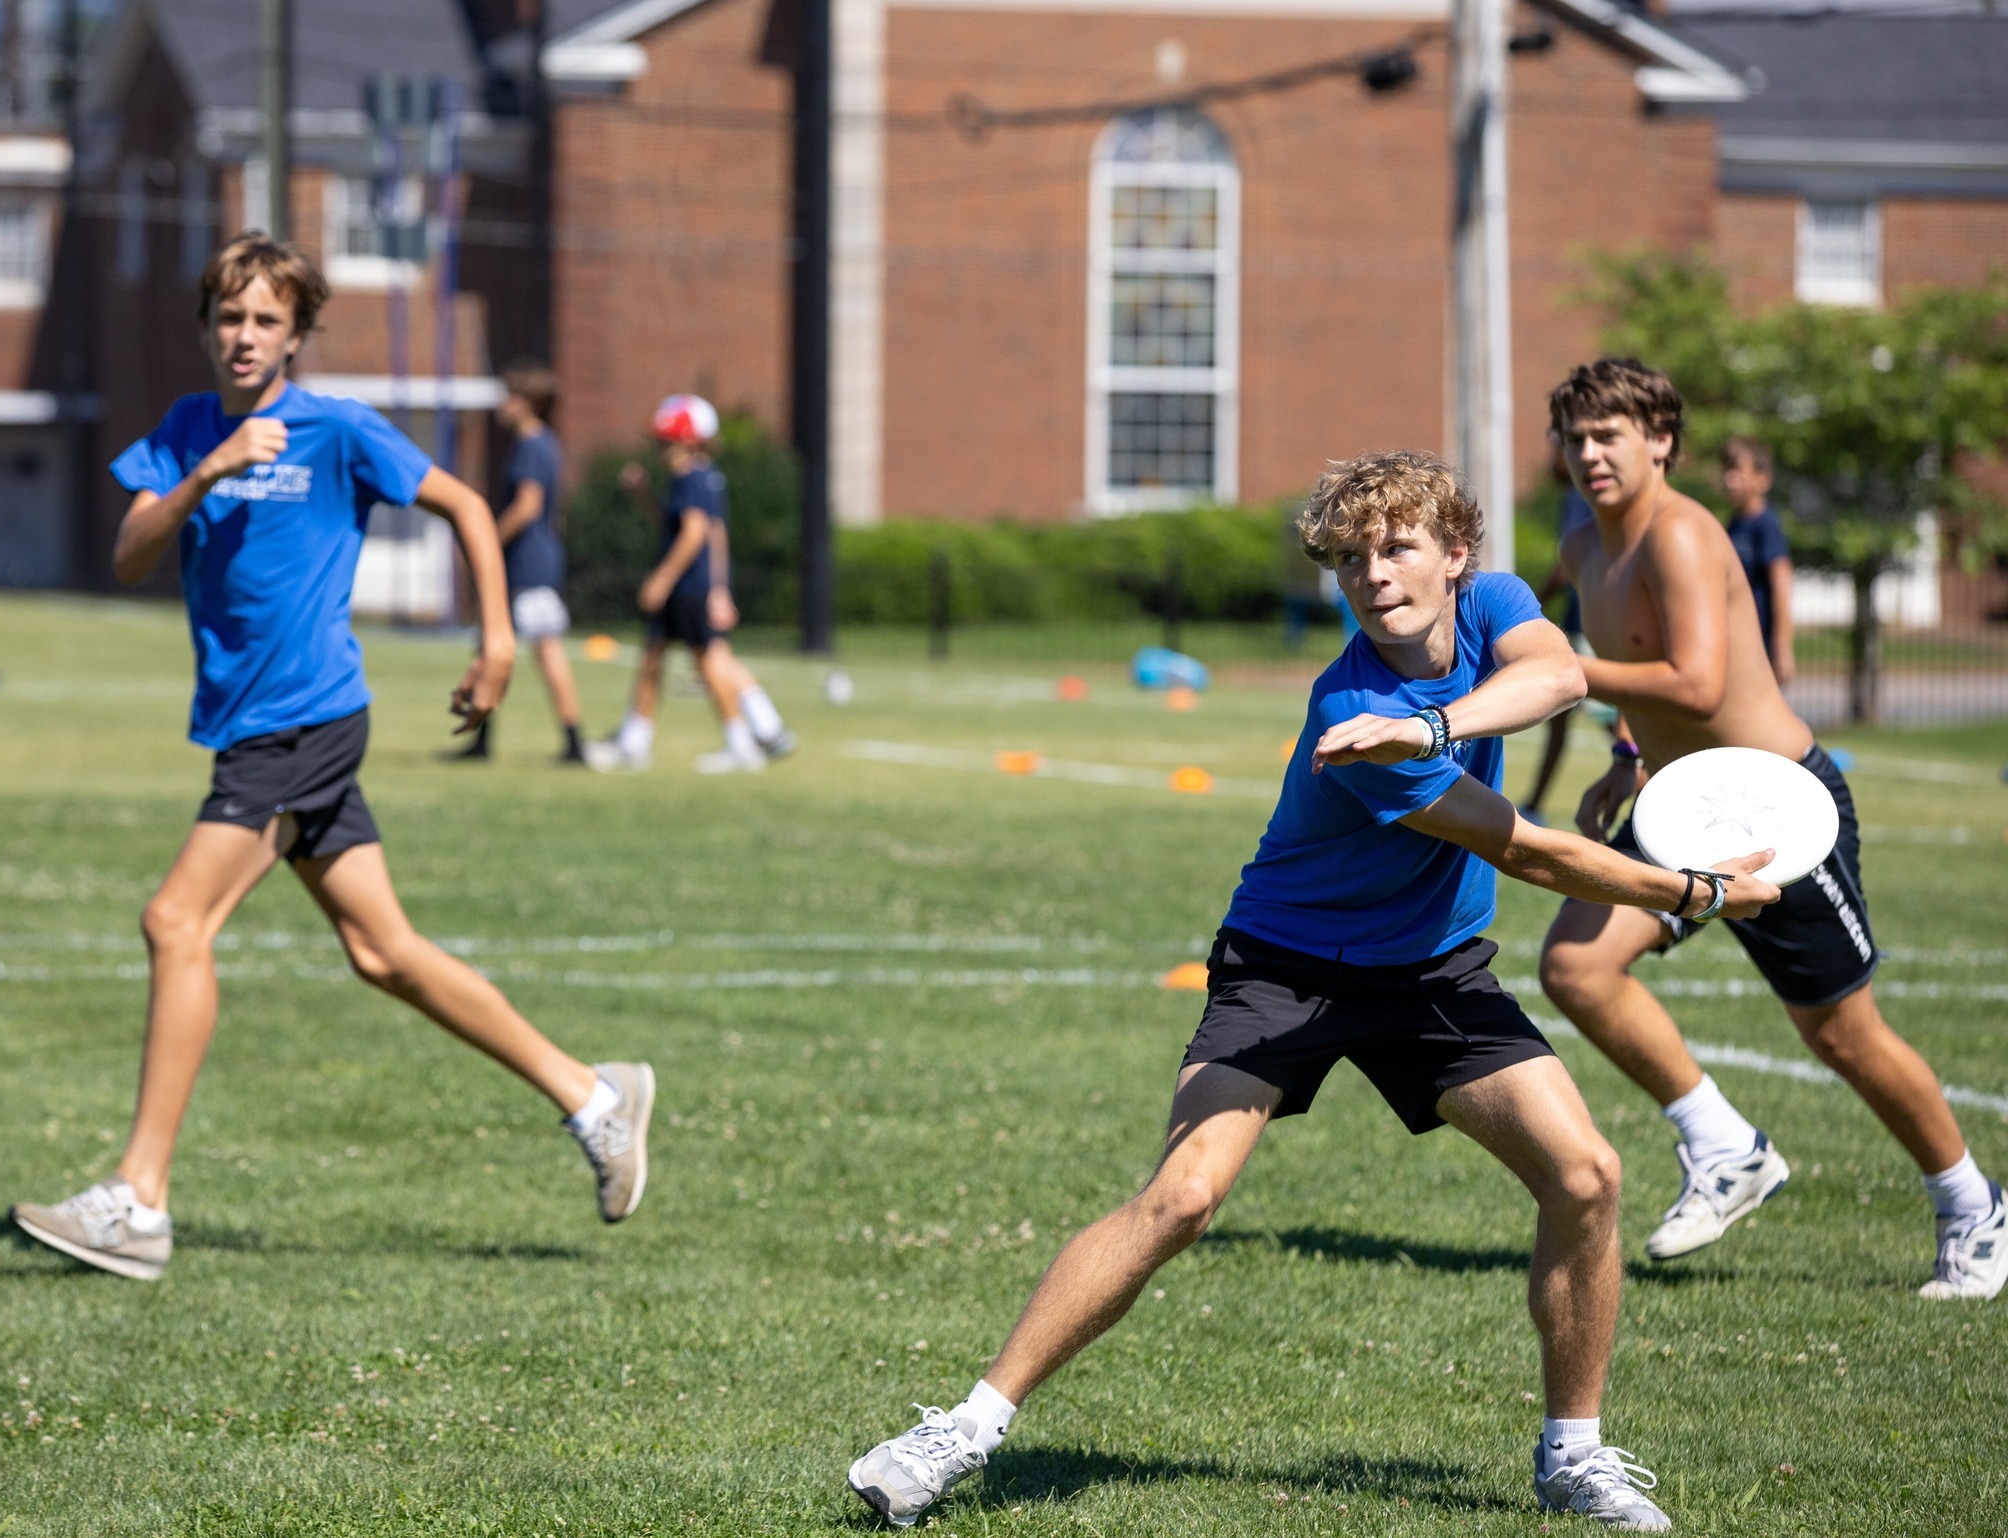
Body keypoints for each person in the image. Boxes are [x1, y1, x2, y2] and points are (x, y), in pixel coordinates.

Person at [847, 450, 1786, 1532]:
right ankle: (960, 1428)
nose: (1373, 575)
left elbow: (1560, 678)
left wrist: (1432, 724)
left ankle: (1571, 1455)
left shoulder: (1492, 605)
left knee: (1584, 1174)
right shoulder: (1350, 705)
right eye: (1349, 559)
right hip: (1285, 966)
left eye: (1395, 549)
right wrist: (1693, 889)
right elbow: (1528, 851)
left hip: (1433, 971)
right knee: (1183, 1196)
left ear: (1454, 556)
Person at [9, 235, 655, 1283]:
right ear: (209, 327)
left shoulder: (339, 430)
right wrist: (207, 472)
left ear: (299, 335)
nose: (245, 336)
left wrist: (496, 641)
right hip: (252, 719)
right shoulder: (183, 432)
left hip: (299, 720)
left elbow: (467, 507)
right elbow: (131, 553)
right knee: (383, 951)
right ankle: (593, 1095)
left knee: (176, 920)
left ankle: (138, 1198)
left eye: (267, 319)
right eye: (229, 316)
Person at [1538, 357, 2003, 1297]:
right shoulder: (1585, 547)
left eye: (1610, 435)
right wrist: (1625, 761)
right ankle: (1724, 1147)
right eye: (1578, 438)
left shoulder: (1683, 533)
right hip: (1677, 807)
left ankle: (1974, 1207)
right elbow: (1648, 683)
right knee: (1576, 967)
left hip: (1775, 807)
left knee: (1839, 1033)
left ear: (1660, 441)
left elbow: (1698, 683)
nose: (1591, 454)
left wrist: (1575, 678)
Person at [584, 394, 792, 774]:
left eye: (666, 441)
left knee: (708, 662)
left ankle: (740, 741)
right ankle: (636, 739)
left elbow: (695, 533)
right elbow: (678, 525)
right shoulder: (698, 477)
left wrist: (663, 579)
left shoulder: (693, 477)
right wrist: (645, 495)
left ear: (690, 441)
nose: (660, 449)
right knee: (653, 658)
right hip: (691, 585)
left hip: (687, 587)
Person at [447, 362, 585, 763]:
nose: (502, 404)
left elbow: (527, 508)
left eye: (511, 396)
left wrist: (486, 540)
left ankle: (574, 742)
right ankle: (481, 738)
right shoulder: (539, 444)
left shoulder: (533, 445)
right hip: (527, 565)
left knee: (545, 650)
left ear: (529, 404)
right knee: (491, 645)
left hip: (530, 567)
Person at [1519, 485, 1599, 824]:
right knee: (1561, 717)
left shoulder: (1587, 494)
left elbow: (1569, 566)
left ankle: (1650, 781)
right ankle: (1535, 805)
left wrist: (1530, 607)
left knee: (1620, 725)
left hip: (1592, 629)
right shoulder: (1571, 496)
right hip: (1575, 623)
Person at [1720, 435, 1795, 684]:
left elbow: (1781, 585)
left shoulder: (1766, 525)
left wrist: (1782, 649)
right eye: (1727, 470)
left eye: (1738, 471)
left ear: (1762, 480)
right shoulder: (1735, 525)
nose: (1730, 480)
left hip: (1761, 648)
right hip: (1737, 644)